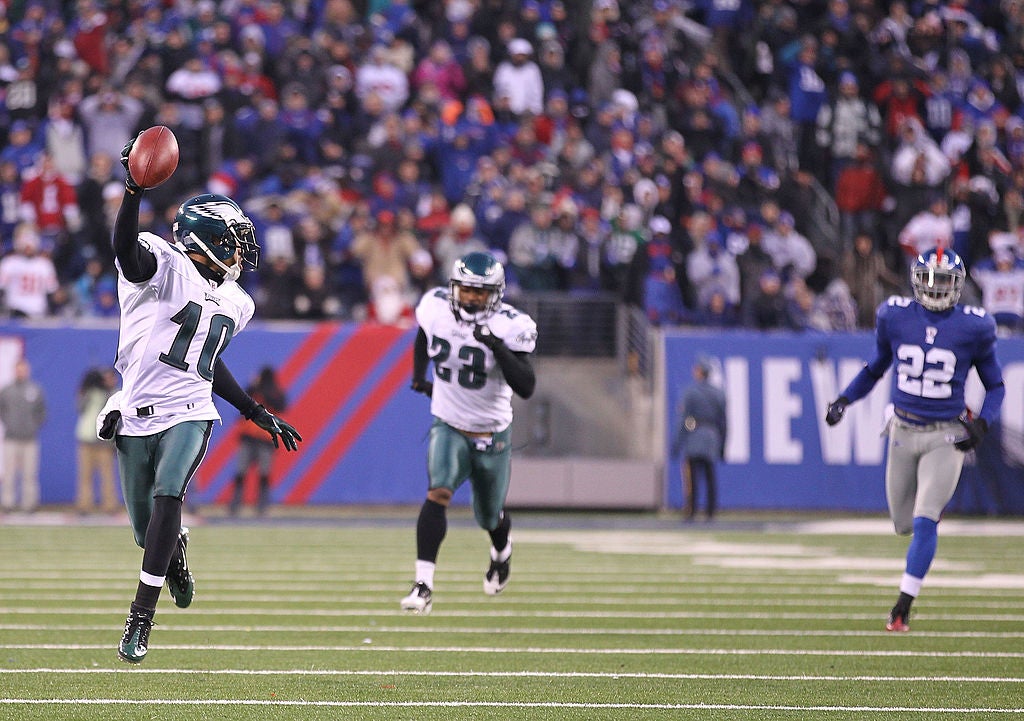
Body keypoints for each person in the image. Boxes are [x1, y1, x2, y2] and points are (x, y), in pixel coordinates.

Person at [102, 132, 302, 664]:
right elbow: (125, 249)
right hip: (136, 409)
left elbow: (204, 364)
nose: (243, 249)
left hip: (190, 409)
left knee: (171, 493)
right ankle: (175, 555)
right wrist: (132, 190)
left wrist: (256, 411)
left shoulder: (237, 300)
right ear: (209, 239)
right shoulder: (162, 263)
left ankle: (140, 617)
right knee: (148, 531)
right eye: (235, 238)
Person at [825, 247, 1005, 632]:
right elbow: (875, 368)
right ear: (915, 280)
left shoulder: (974, 326)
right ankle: (915, 558)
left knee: (925, 521)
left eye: (945, 281)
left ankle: (903, 606)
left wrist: (983, 423)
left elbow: (996, 386)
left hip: (946, 435)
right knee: (902, 522)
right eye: (930, 279)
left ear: (959, 286)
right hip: (903, 431)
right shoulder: (895, 316)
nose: (936, 288)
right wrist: (845, 399)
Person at [401, 251, 537, 614]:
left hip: (492, 432)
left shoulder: (511, 326)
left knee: (488, 516)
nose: (473, 298)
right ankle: (423, 584)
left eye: (481, 292)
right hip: (447, 422)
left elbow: (526, 386)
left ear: (495, 294)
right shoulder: (434, 307)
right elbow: (423, 335)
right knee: (438, 490)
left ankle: (501, 552)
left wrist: (496, 346)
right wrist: (419, 375)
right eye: (467, 290)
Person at [671, 357, 727, 521]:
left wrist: (678, 441)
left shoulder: (691, 392)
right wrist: (722, 444)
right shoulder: (718, 393)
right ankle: (710, 511)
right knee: (710, 476)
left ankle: (692, 511)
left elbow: (686, 420)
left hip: (695, 436)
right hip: (711, 437)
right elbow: (722, 423)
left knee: (693, 477)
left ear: (700, 372)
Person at [230, 365, 288, 515]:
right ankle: (239, 505)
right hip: (255, 438)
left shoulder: (272, 393)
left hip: (263, 439)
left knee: (260, 474)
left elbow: (281, 405)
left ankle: (259, 506)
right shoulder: (255, 390)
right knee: (243, 473)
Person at [0, 358, 47, 513]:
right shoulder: (7, 390)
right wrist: (9, 423)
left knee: (29, 473)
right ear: (15, 370)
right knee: (9, 473)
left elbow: (42, 412)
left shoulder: (35, 389)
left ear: (27, 371)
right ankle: (7, 503)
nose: (21, 372)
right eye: (19, 369)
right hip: (11, 439)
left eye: (24, 369)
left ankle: (29, 504)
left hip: (29, 439)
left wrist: (33, 426)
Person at [75, 366, 119, 514]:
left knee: (107, 476)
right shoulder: (92, 392)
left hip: (104, 443)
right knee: (85, 475)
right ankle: (84, 505)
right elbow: (80, 407)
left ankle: (109, 506)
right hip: (87, 439)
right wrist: (87, 386)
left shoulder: (115, 394)